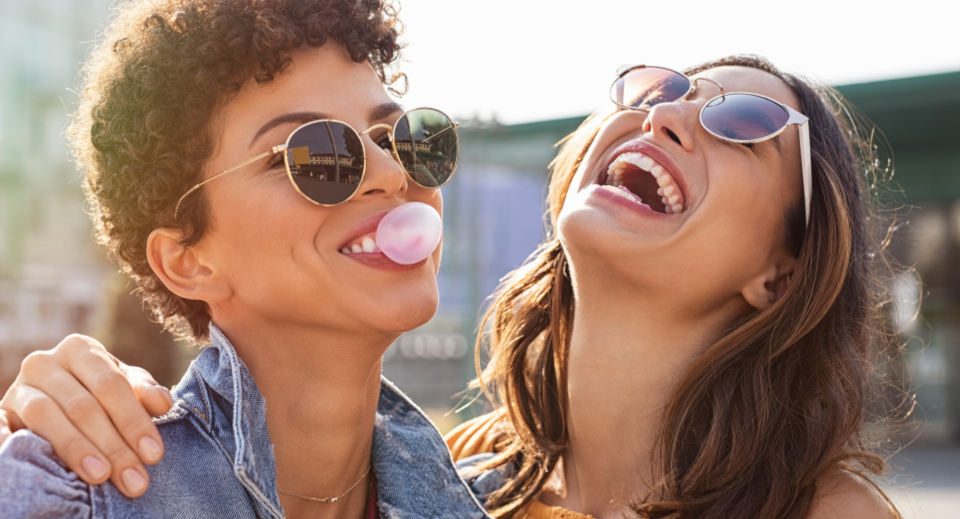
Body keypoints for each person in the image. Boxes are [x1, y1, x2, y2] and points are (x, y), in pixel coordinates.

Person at [0, 52, 903, 519]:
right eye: (657, 87)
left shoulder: (824, 512)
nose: (664, 112)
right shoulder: (453, 484)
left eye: (740, 120)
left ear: (781, 271)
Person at [0, 0, 488, 518]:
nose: (391, 175)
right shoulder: (71, 498)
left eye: (396, 138)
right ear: (188, 262)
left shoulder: (490, 498)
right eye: (318, 155)